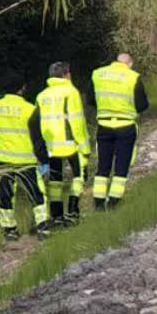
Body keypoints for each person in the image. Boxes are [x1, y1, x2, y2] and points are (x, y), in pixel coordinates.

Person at [0, 71, 51, 241]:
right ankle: (42, 227)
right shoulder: (30, 109)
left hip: (3, 159)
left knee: (5, 195)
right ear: (23, 88)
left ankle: (9, 230)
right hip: (26, 159)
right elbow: (39, 137)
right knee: (36, 193)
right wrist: (44, 160)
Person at [91, 53, 149, 209]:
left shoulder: (98, 74)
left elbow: (91, 99)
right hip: (125, 126)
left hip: (103, 125)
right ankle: (114, 202)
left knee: (103, 166)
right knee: (121, 166)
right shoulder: (133, 77)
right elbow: (142, 105)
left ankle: (98, 202)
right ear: (129, 63)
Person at [35, 61, 91, 227]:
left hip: (50, 145)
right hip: (70, 143)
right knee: (79, 175)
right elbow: (77, 122)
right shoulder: (71, 92)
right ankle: (73, 210)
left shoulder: (41, 95)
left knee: (55, 181)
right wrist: (84, 146)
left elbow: (35, 123)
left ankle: (57, 215)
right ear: (66, 74)